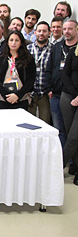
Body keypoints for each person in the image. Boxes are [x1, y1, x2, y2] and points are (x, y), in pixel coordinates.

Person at [46, 20, 78, 150]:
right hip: (57, 93)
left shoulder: (76, 49)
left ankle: (71, 161)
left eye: (70, 29)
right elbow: (49, 68)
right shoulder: (56, 47)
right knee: (60, 128)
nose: (66, 32)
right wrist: (49, 88)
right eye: (64, 29)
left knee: (73, 132)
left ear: (76, 30)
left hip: (73, 94)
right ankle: (62, 157)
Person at [0, 30, 35, 109]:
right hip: (2, 99)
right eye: (11, 40)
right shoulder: (1, 58)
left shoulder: (28, 59)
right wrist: (7, 96)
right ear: (7, 42)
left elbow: (30, 81)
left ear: (21, 42)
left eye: (17, 40)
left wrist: (17, 96)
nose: (13, 43)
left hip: (21, 99)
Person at [60, 41, 78, 185]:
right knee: (69, 133)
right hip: (68, 97)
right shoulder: (73, 51)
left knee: (73, 137)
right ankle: (77, 167)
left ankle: (57, 166)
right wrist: (74, 94)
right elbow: (65, 74)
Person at [27, 22, 52, 123]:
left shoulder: (53, 49)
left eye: (44, 31)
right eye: (39, 31)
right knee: (28, 123)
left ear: (49, 33)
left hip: (45, 92)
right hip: (30, 92)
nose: (41, 33)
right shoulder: (28, 49)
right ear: (35, 33)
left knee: (45, 122)